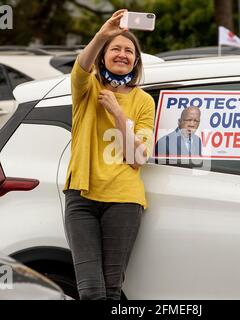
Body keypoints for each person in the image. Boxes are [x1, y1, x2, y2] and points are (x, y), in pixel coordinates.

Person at [63, 9, 155, 300]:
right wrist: (103, 34)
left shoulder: (143, 101)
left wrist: (117, 113)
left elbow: (138, 158)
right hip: (82, 197)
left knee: (111, 289)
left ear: (136, 61)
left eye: (129, 51)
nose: (122, 54)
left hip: (123, 200)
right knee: (90, 290)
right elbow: (80, 69)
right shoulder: (87, 88)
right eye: (115, 48)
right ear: (102, 56)